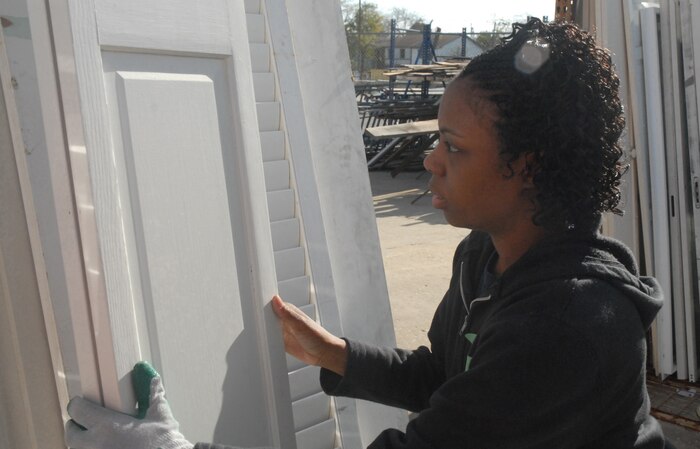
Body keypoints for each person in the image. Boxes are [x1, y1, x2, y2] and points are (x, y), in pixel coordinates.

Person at [65, 18, 668, 449]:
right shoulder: (485, 254)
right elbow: (448, 380)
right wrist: (333, 353)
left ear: (527, 166)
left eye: (454, 147)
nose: (431, 160)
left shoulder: (567, 326)